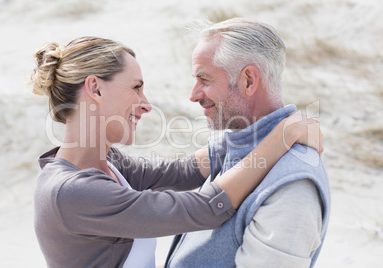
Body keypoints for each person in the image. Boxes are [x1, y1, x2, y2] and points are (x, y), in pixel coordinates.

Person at [30, 36, 322, 268]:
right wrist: (283, 136)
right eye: (136, 88)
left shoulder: (105, 164)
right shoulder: (73, 193)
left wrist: (257, 127)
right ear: (95, 89)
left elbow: (183, 172)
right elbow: (205, 209)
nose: (146, 103)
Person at [164, 18, 330, 268]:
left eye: (205, 80)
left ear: (249, 80)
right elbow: (156, 176)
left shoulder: (294, 184)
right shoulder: (232, 150)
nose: (194, 95)